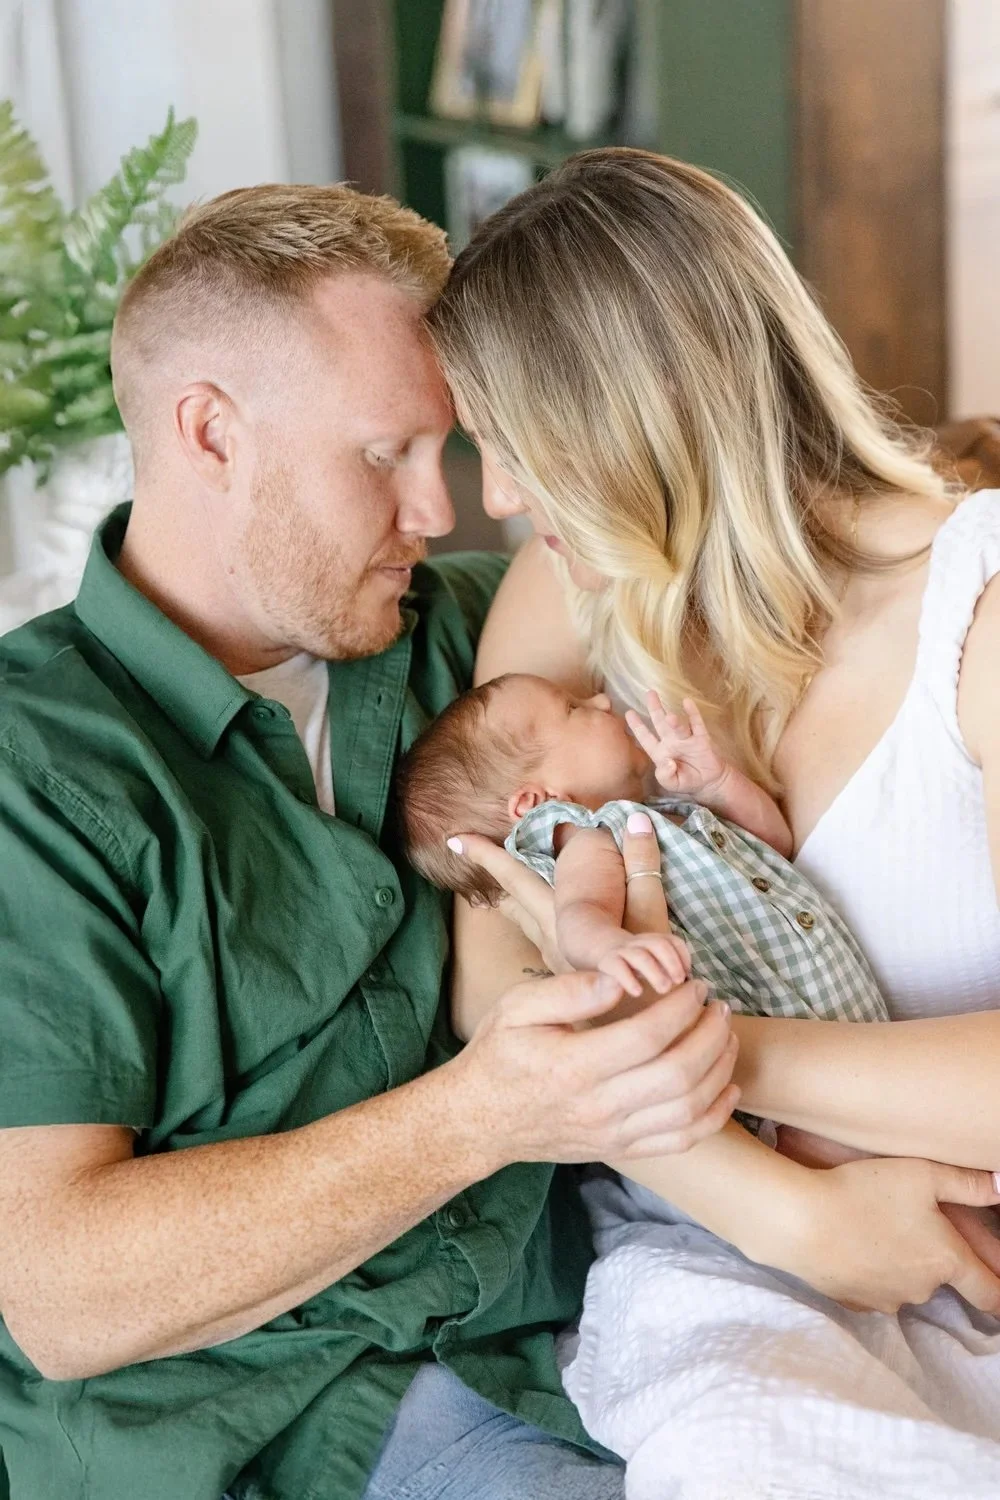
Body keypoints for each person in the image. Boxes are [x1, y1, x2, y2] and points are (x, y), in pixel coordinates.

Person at [0, 184, 744, 1500]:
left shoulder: (483, 638)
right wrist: (485, 1113)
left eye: (445, 449)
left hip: (577, 1346)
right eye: (385, 454)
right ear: (210, 433)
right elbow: (64, 1295)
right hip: (254, 1434)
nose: (439, 509)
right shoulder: (35, 765)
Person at [426, 147, 1000, 1494]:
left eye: (509, 440)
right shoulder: (573, 606)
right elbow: (495, 995)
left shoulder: (975, 625)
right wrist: (791, 1212)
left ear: (639, 414)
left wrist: (703, 1051)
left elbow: (568, 1037)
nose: (493, 498)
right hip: (733, 1263)